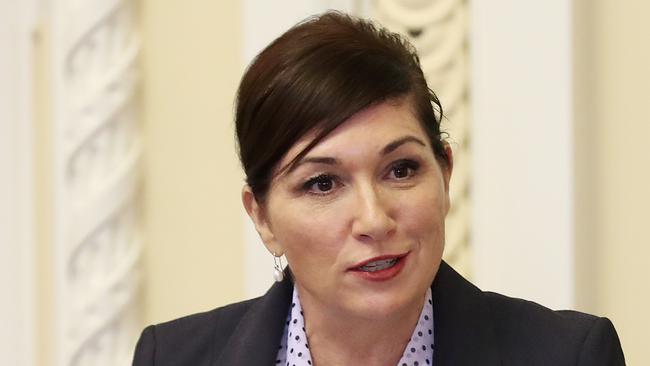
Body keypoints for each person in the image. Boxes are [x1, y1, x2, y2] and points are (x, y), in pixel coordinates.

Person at [132, 11, 625, 366]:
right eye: (322, 183)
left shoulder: (569, 355)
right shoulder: (172, 356)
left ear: (445, 174)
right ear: (261, 217)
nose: (373, 219)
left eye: (402, 170)